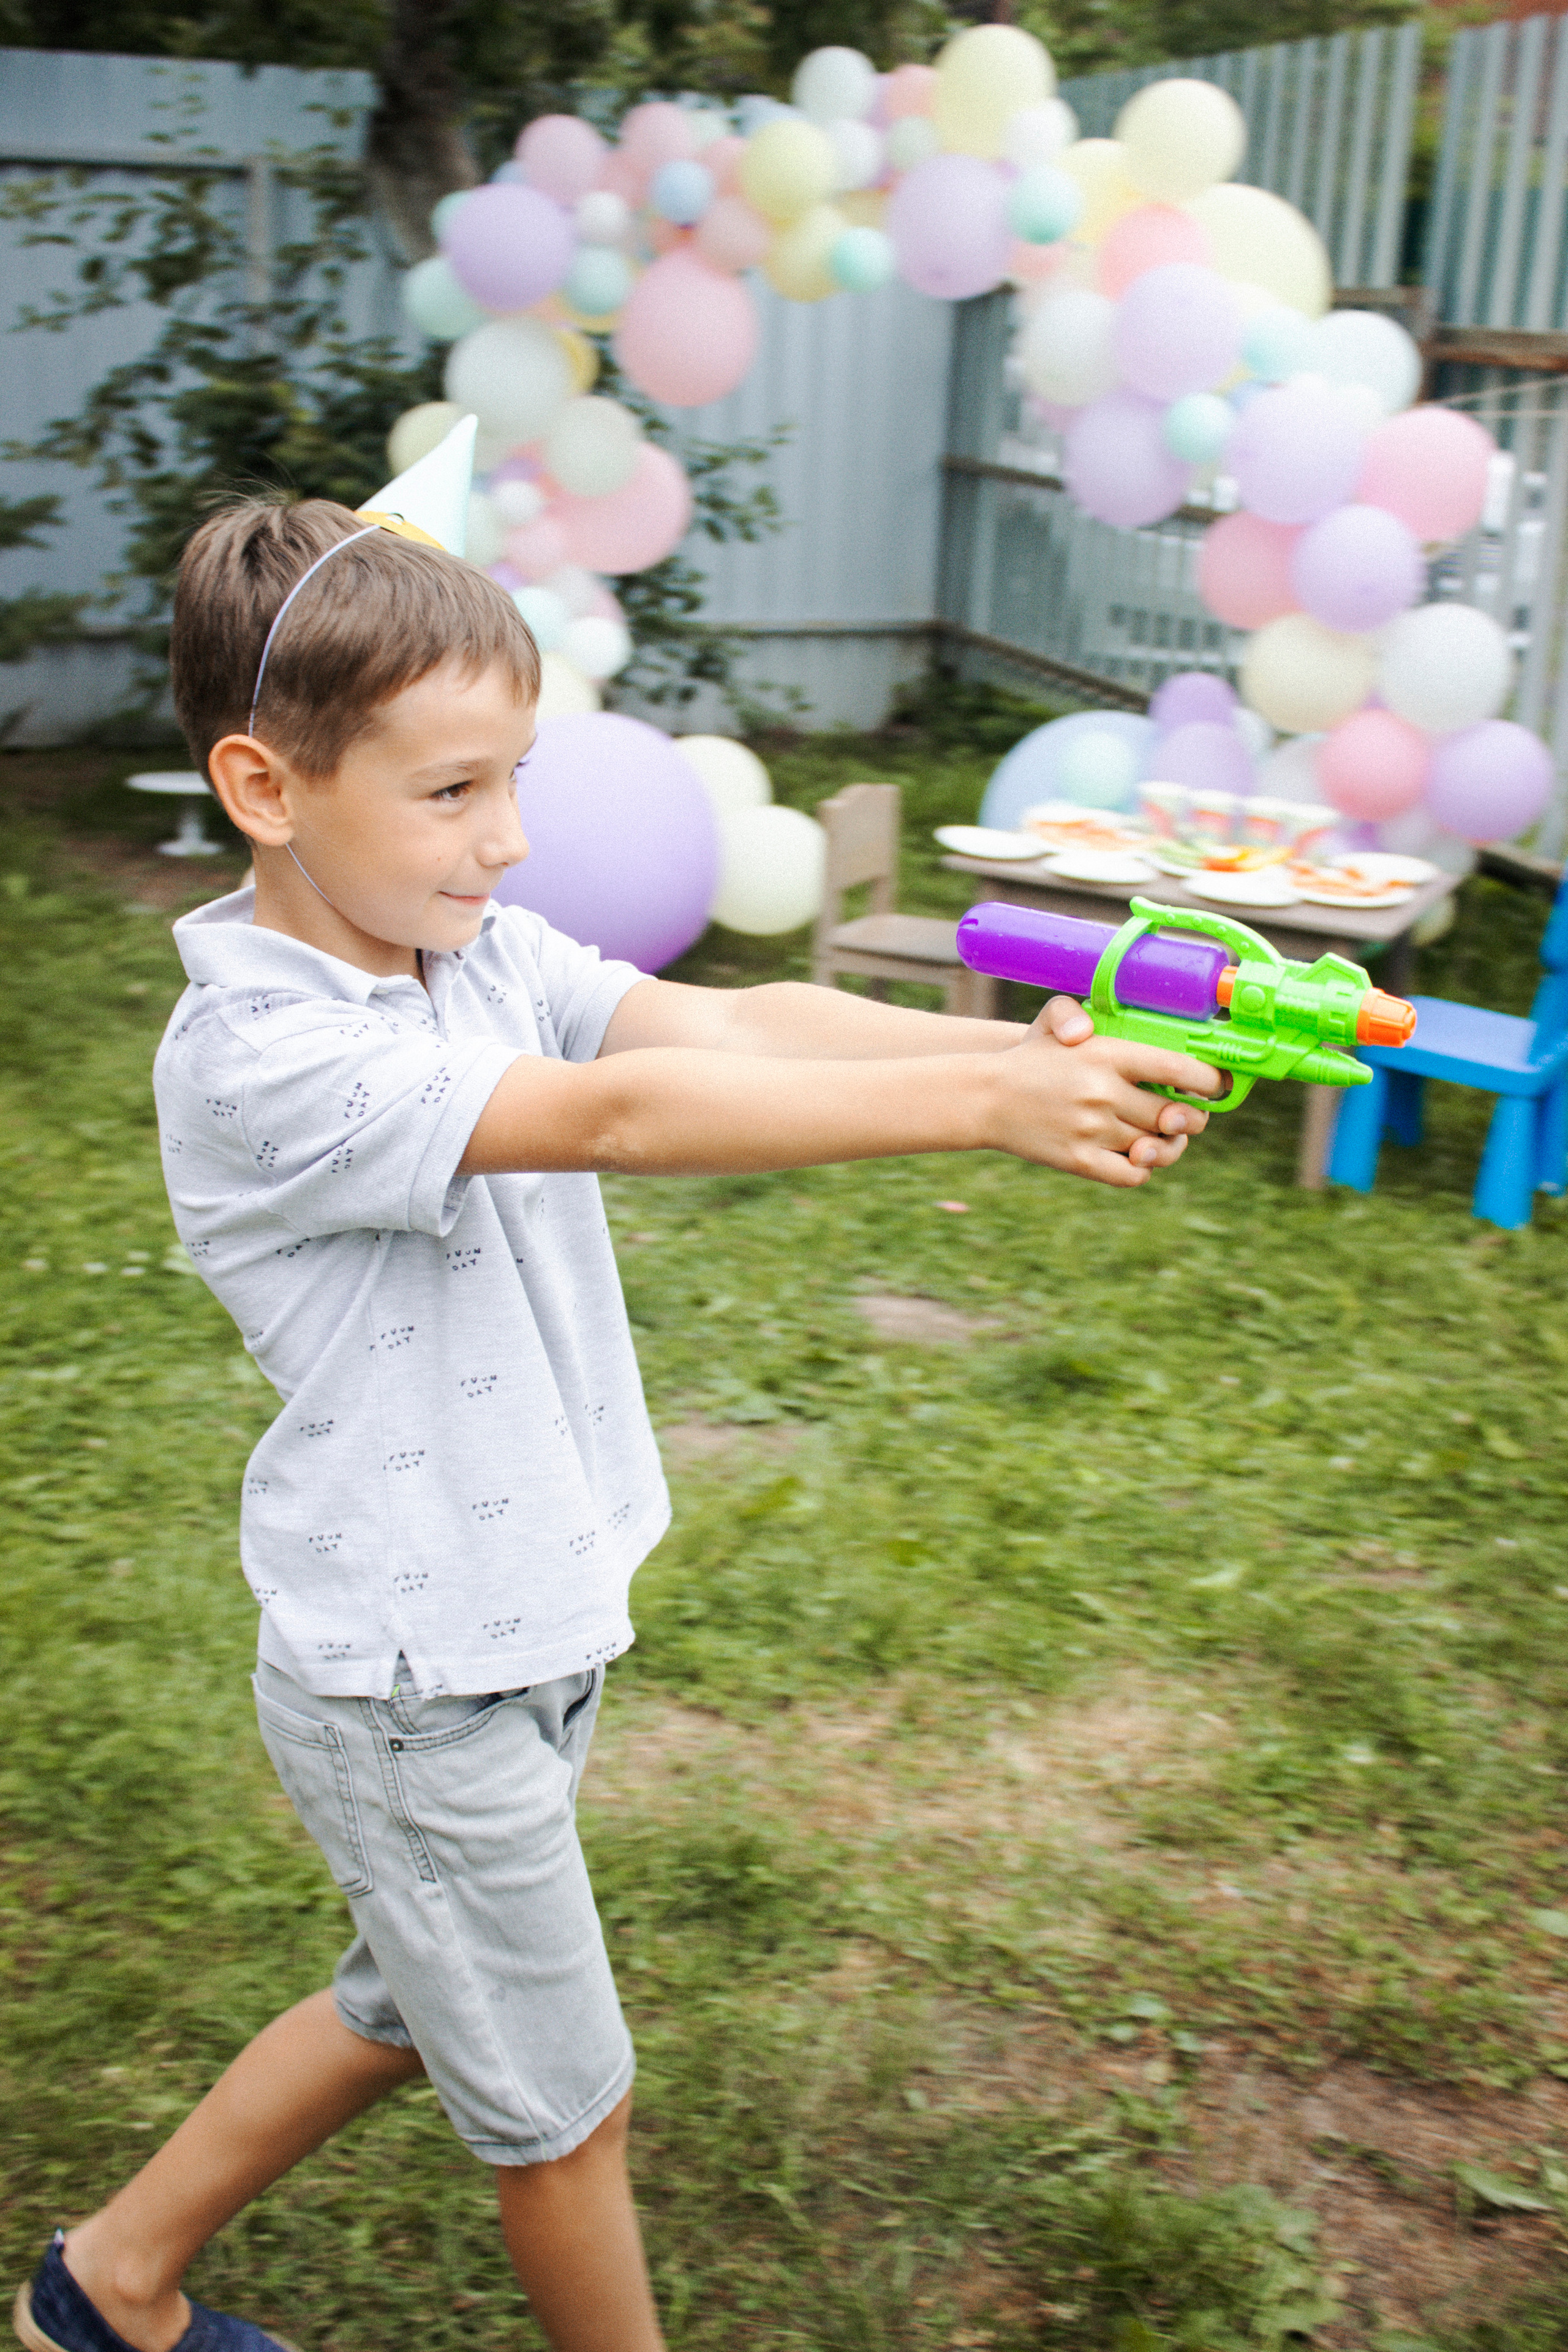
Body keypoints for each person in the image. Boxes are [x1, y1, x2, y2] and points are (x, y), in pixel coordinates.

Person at [14, 497, 1219, 2352]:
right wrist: (978, 1118)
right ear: (265, 785)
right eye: (451, 792)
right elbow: (620, 1121)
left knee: (409, 2004)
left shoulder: (468, 951)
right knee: (569, 2112)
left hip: (516, 1619)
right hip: (413, 1669)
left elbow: (720, 1027)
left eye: (518, 781)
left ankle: (106, 2285)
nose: (504, 838)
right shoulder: (267, 1047)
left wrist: (1007, 1050)